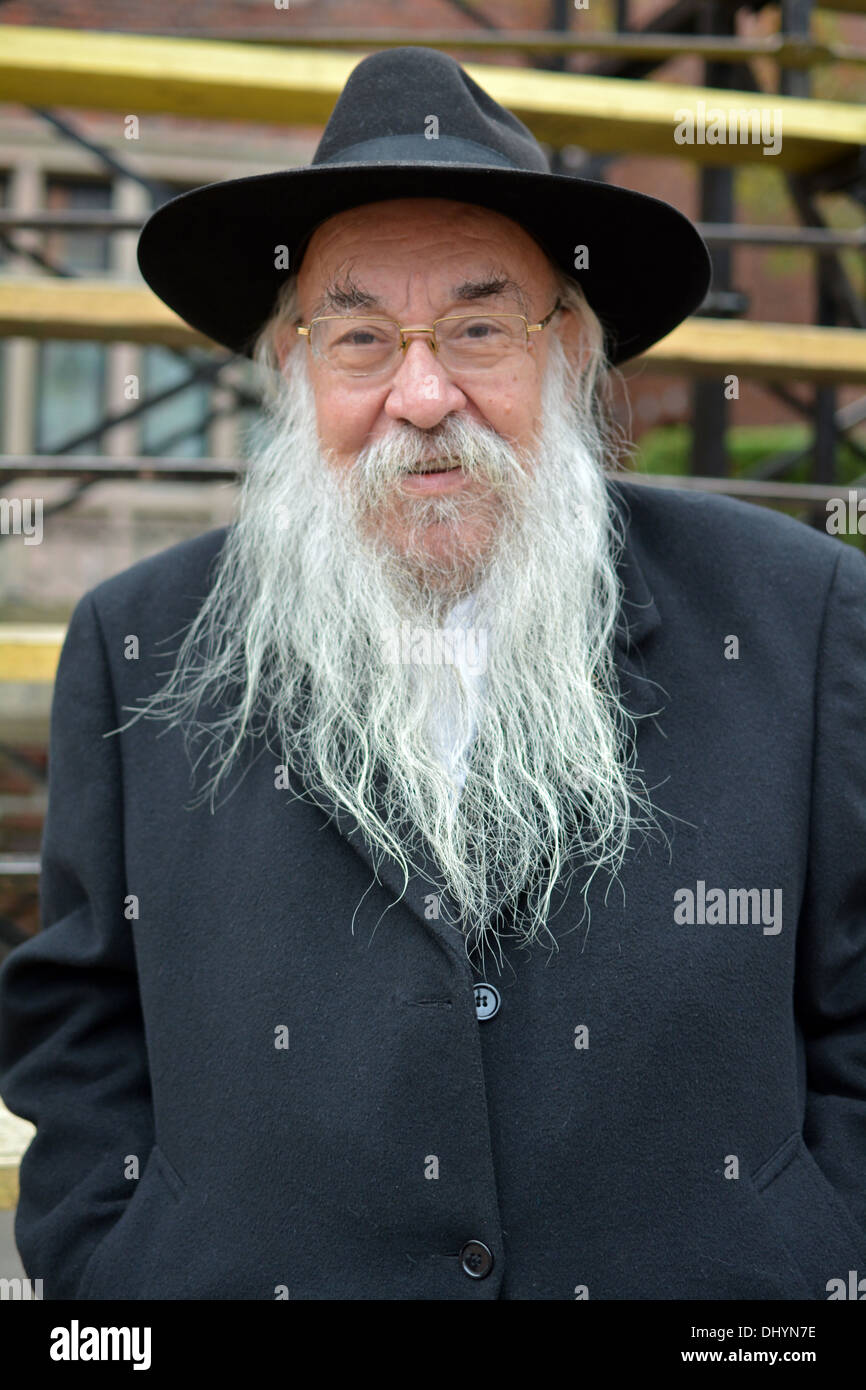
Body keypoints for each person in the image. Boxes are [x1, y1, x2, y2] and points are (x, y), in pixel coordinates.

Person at [1, 46, 864, 1302]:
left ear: (568, 353)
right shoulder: (136, 638)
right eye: (358, 335)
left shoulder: (798, 612)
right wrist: (121, 1264)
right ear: (289, 366)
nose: (420, 393)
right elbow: (78, 1020)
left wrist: (816, 1254)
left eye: (476, 327)